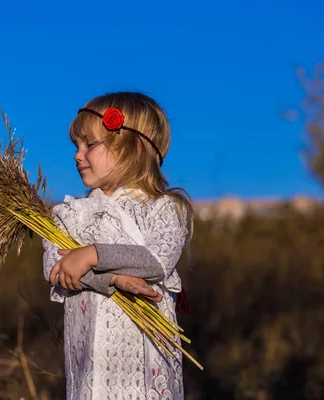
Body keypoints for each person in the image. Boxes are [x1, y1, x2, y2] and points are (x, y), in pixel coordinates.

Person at [42, 91, 194, 399]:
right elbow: (55, 269)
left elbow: (155, 261)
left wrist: (92, 254)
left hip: (145, 368)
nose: (77, 155)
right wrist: (111, 279)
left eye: (90, 145)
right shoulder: (71, 214)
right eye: (76, 146)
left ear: (133, 148)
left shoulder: (164, 208)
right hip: (91, 371)